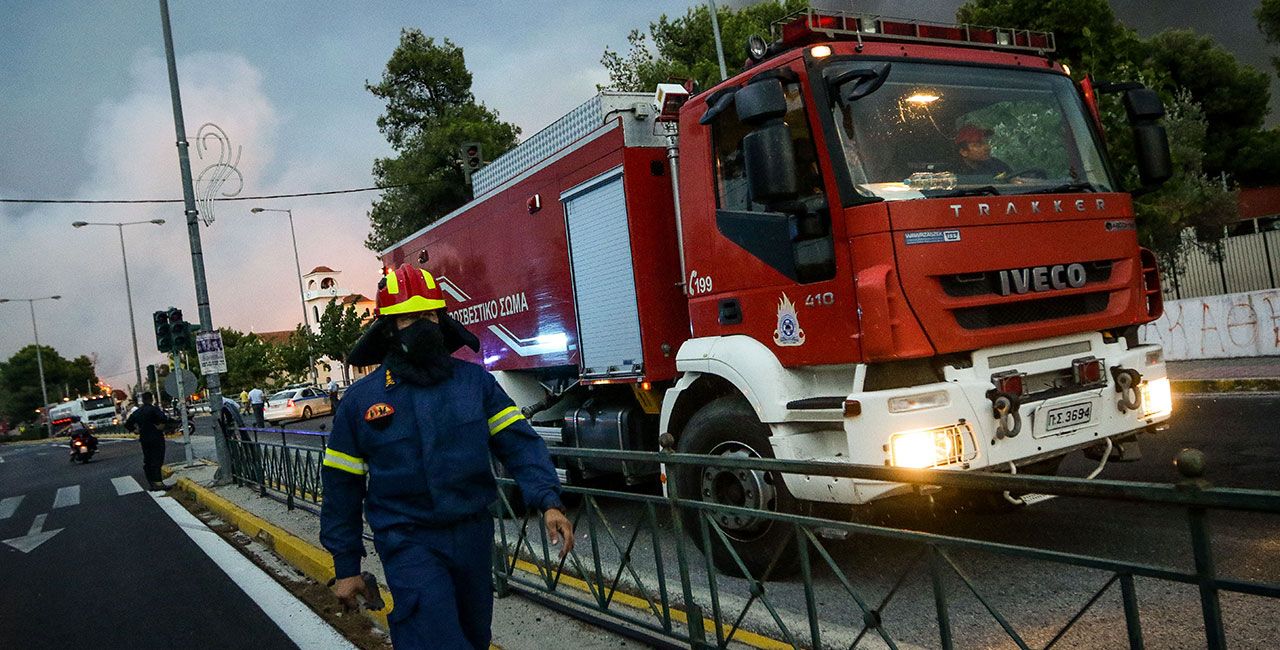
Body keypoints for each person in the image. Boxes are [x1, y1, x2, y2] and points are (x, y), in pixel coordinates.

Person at [321, 263, 573, 650]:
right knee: (433, 637)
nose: (421, 323)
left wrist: (547, 500)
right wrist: (346, 566)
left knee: (474, 637)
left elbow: (518, 442)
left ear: (441, 318)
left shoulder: (475, 384)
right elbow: (342, 487)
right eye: (409, 317)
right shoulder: (361, 401)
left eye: (429, 313)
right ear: (389, 328)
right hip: (408, 540)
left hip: (472, 535)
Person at [124, 392, 176, 490]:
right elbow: (164, 418)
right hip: (156, 438)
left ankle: (151, 483)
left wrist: (135, 430)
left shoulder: (138, 412)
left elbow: (127, 424)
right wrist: (160, 426)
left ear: (143, 400)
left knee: (148, 461)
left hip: (144, 439)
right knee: (157, 460)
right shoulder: (154, 410)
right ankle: (158, 483)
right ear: (151, 399)